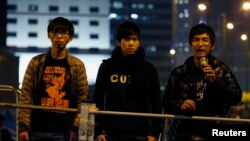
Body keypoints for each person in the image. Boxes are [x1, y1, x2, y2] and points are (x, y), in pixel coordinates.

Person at [162, 23, 242, 141]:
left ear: (212, 45)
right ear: (190, 44)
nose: (200, 44)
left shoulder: (222, 69)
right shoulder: (179, 73)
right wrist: (180, 105)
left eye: (205, 40)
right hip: (184, 132)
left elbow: (236, 97)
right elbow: (166, 102)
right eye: (196, 40)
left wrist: (216, 82)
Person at [18, 17, 89, 141]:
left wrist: (76, 127)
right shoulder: (37, 62)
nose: (59, 36)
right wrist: (23, 126)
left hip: (64, 131)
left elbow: (82, 98)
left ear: (70, 38)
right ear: (49, 35)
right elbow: (26, 94)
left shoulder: (77, 65)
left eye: (64, 33)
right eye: (55, 32)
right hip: (36, 128)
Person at [93, 21, 162, 141]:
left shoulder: (149, 69)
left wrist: (155, 133)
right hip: (111, 132)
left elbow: (156, 102)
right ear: (119, 42)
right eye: (127, 39)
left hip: (141, 133)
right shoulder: (107, 67)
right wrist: (98, 131)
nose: (131, 43)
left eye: (134, 39)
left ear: (139, 42)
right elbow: (98, 100)